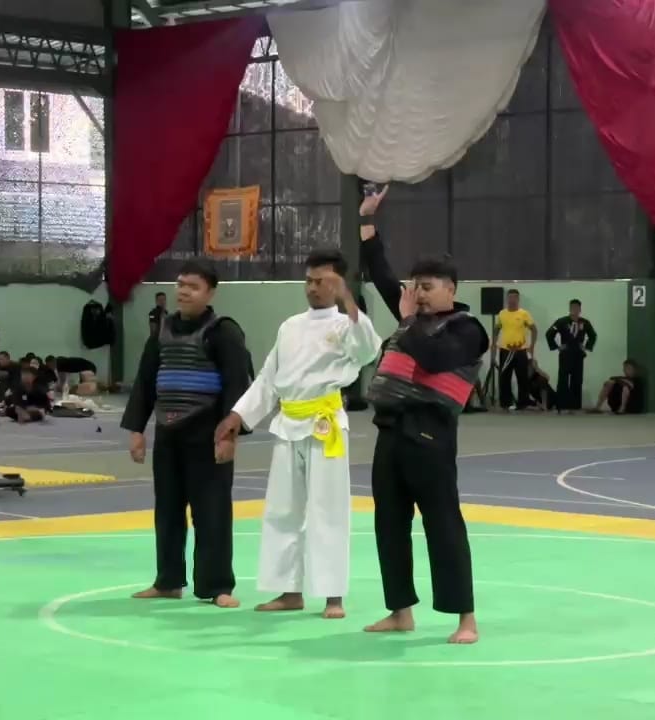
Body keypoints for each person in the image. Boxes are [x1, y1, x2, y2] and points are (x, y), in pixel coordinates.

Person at [214, 249, 382, 619]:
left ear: (338, 285)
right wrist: (238, 416)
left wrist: (348, 299)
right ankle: (290, 592)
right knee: (282, 510)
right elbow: (268, 380)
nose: (313, 288)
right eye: (309, 281)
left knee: (328, 511)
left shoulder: (347, 325)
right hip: (288, 425)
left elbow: (368, 350)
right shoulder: (289, 326)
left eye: (322, 282)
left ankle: (333, 596)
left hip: (325, 426)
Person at [357, 186, 487, 644]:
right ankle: (400, 611)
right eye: (414, 288)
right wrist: (367, 220)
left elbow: (432, 358)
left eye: (427, 288)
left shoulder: (467, 330)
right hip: (390, 433)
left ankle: (465, 619)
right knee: (389, 524)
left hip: (430, 436)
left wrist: (408, 319)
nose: (417, 295)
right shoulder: (412, 316)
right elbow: (379, 270)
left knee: (442, 524)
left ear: (452, 289)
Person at [121, 260, 251, 608]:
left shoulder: (223, 331)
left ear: (210, 293)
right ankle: (168, 581)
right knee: (167, 510)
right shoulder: (161, 331)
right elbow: (145, 382)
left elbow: (238, 385)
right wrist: (137, 430)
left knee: (212, 512)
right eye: (180, 285)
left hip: (208, 434)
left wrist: (230, 435)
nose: (184, 292)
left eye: (193, 287)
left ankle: (217, 585)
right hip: (168, 433)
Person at [545, 299, 597, 411]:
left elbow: (593, 335)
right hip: (566, 353)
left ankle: (575, 406)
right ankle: (561, 405)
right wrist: (557, 346)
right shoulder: (561, 321)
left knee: (577, 380)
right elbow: (549, 333)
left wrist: (586, 346)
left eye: (577, 308)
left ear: (580, 309)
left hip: (578, 354)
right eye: (572, 307)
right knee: (563, 379)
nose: (574, 310)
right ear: (569, 309)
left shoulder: (585, 322)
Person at [492, 289, 537, 410]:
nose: (512, 300)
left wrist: (531, 346)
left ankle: (523, 403)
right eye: (510, 297)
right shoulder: (502, 314)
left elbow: (534, 329)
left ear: (518, 299)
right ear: (507, 299)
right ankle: (505, 404)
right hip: (506, 350)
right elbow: (496, 330)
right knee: (504, 377)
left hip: (520, 351)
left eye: (514, 298)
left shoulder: (524, 314)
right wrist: (494, 346)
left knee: (522, 377)